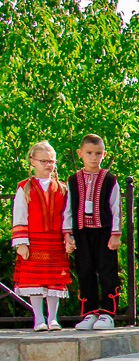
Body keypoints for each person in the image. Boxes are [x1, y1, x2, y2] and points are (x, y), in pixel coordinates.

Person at [11, 142, 72, 331]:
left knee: (55, 279)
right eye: (43, 161)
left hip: (55, 241)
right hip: (33, 240)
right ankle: (38, 319)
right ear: (32, 161)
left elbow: (66, 215)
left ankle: (53, 318)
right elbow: (19, 214)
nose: (48, 165)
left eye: (51, 161)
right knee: (33, 280)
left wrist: (68, 237)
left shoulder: (62, 188)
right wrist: (21, 242)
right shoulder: (25, 187)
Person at [68, 134, 122, 330]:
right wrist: (68, 234)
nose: (93, 157)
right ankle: (88, 312)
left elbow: (116, 207)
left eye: (98, 153)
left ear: (104, 154)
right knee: (85, 271)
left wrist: (115, 234)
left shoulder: (109, 179)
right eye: (89, 153)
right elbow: (68, 207)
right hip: (82, 232)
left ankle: (108, 313)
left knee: (108, 271)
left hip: (104, 232)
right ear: (80, 153)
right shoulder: (73, 180)